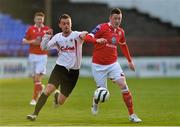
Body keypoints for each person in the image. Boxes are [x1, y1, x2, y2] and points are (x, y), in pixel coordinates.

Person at [26, 14, 89, 121]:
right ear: (60, 25)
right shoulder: (57, 37)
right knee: (47, 90)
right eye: (64, 23)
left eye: (68, 23)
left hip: (73, 72)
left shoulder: (77, 36)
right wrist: (46, 37)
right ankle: (34, 114)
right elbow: (43, 47)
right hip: (60, 68)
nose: (66, 25)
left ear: (71, 24)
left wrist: (85, 34)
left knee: (61, 101)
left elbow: (85, 35)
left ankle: (57, 97)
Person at [84, 8, 142, 123]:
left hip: (113, 64)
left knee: (123, 85)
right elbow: (87, 37)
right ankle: (95, 102)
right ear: (110, 18)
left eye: (119, 18)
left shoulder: (121, 32)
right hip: (98, 66)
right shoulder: (101, 27)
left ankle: (132, 115)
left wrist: (130, 61)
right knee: (102, 93)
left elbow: (123, 45)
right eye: (115, 18)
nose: (117, 21)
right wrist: (97, 40)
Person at [22, 12, 51, 106]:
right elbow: (24, 40)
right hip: (32, 56)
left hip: (42, 56)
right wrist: (32, 41)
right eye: (38, 19)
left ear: (43, 20)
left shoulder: (47, 29)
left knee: (38, 76)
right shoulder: (30, 29)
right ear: (35, 19)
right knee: (35, 79)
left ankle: (34, 99)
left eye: (41, 19)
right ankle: (40, 88)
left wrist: (42, 43)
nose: (39, 21)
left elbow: (50, 42)